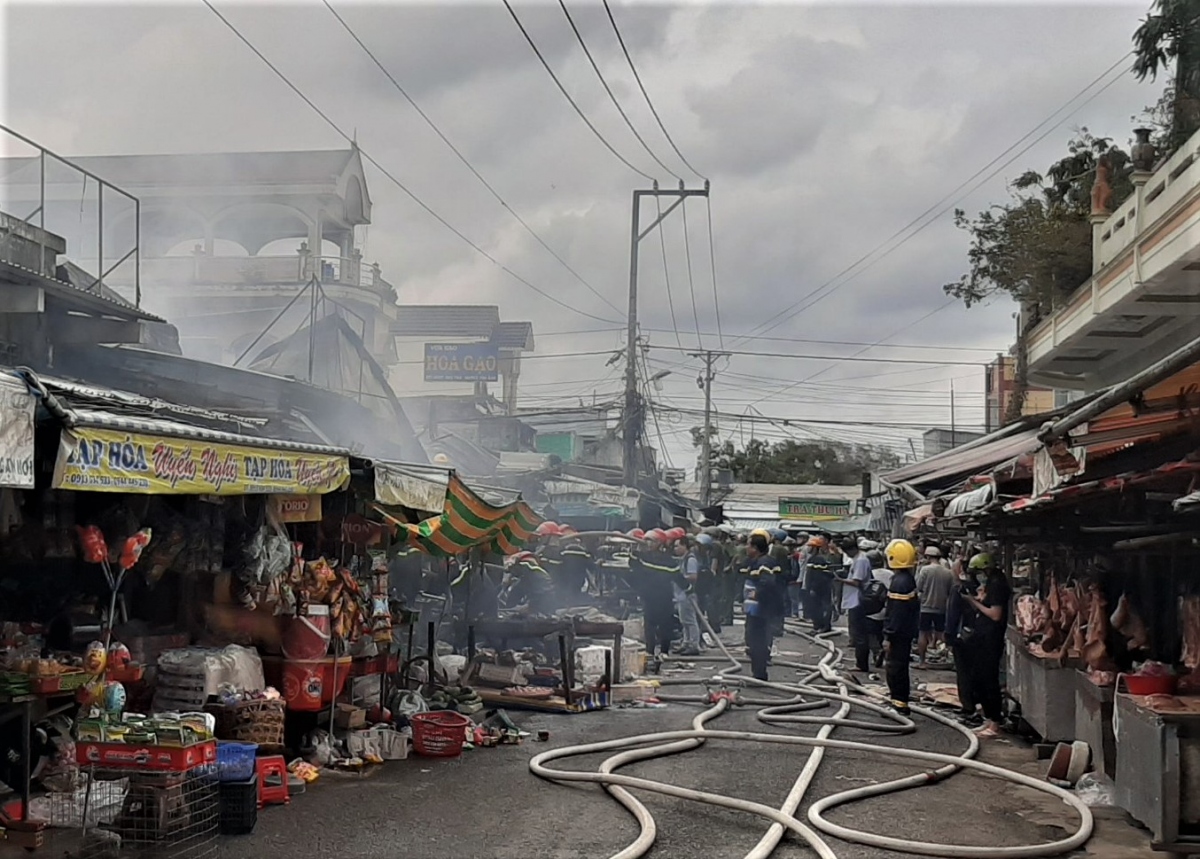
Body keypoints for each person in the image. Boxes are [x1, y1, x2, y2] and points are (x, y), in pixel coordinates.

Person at [962, 553, 1010, 738]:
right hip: (983, 637)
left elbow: (995, 614)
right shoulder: (993, 582)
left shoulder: (998, 584)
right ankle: (989, 719)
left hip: (991, 639)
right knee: (981, 678)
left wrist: (972, 601)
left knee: (989, 680)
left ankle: (995, 723)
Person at [882, 539, 921, 715]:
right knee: (899, 667)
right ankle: (899, 701)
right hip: (905, 632)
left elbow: (896, 612)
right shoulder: (907, 579)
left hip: (898, 634)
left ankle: (899, 703)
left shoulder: (899, 581)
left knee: (895, 668)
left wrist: (889, 636)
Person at [741, 532, 786, 680]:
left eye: (748, 545)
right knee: (755, 639)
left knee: (757, 640)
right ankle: (758, 671)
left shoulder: (764, 563)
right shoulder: (759, 561)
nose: (746, 548)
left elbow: (768, 582)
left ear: (755, 547)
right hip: (757, 608)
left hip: (761, 608)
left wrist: (757, 594)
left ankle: (760, 674)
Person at [945, 555, 980, 726]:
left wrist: (949, 636)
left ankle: (968, 707)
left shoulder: (958, 589)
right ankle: (977, 704)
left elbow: (952, 614)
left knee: (964, 673)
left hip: (962, 637)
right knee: (975, 671)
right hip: (979, 636)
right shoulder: (979, 587)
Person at [635, 531, 678, 669]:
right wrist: (637, 549)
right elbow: (633, 564)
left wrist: (689, 590)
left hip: (664, 598)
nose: (648, 543)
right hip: (650, 597)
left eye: (651, 541)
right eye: (646, 540)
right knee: (650, 626)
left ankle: (664, 651)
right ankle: (650, 651)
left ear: (660, 543)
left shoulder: (667, 560)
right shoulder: (644, 557)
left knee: (665, 626)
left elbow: (678, 576)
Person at [837, 538, 875, 673]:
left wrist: (840, 580)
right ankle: (861, 662)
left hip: (858, 601)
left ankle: (861, 664)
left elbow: (857, 582)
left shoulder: (860, 561)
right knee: (859, 633)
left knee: (859, 634)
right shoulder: (859, 559)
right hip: (855, 600)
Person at [915, 546, 956, 669]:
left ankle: (922, 662)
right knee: (942, 634)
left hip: (926, 607)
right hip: (942, 608)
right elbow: (950, 590)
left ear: (928, 557)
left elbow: (919, 587)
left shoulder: (925, 570)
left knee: (922, 633)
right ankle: (950, 658)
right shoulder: (948, 573)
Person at [672, 537, 702, 656]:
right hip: (681, 595)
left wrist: (680, 578)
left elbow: (693, 577)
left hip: (688, 594)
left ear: (685, 546)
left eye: (677, 546)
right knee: (683, 621)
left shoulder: (690, 559)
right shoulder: (682, 559)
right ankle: (686, 643)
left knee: (690, 620)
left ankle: (694, 645)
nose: (675, 548)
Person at [865, 547, 891, 670]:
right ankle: (884, 653)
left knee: (870, 633)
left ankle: (876, 651)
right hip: (887, 608)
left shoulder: (869, 574)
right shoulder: (889, 574)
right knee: (882, 632)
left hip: (871, 610)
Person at [804, 536, 836, 634]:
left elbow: (817, 576)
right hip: (818, 588)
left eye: (811, 547)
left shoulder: (817, 559)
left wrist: (813, 588)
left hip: (820, 589)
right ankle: (818, 626)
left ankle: (823, 626)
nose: (808, 548)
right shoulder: (814, 558)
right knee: (816, 608)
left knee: (820, 608)